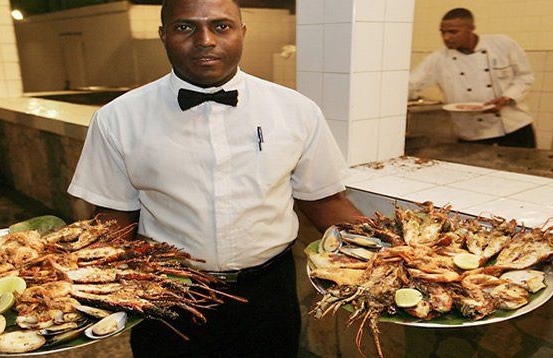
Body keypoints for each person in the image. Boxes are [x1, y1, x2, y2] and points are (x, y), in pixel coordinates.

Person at [66, 0, 363, 357]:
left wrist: (395, 252)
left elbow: (324, 201)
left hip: (268, 293)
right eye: (185, 27)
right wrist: (79, 282)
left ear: (242, 32)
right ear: (163, 35)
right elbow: (114, 217)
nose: (205, 39)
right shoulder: (117, 118)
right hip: (169, 294)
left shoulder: (296, 111)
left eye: (221, 26)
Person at [409, 8, 536, 148]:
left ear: (471, 29)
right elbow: (412, 84)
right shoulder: (437, 59)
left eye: (453, 32)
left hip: (514, 126)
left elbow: (525, 77)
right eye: (443, 32)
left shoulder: (503, 44)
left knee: (522, 168)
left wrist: (507, 98)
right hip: (473, 132)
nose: (446, 37)